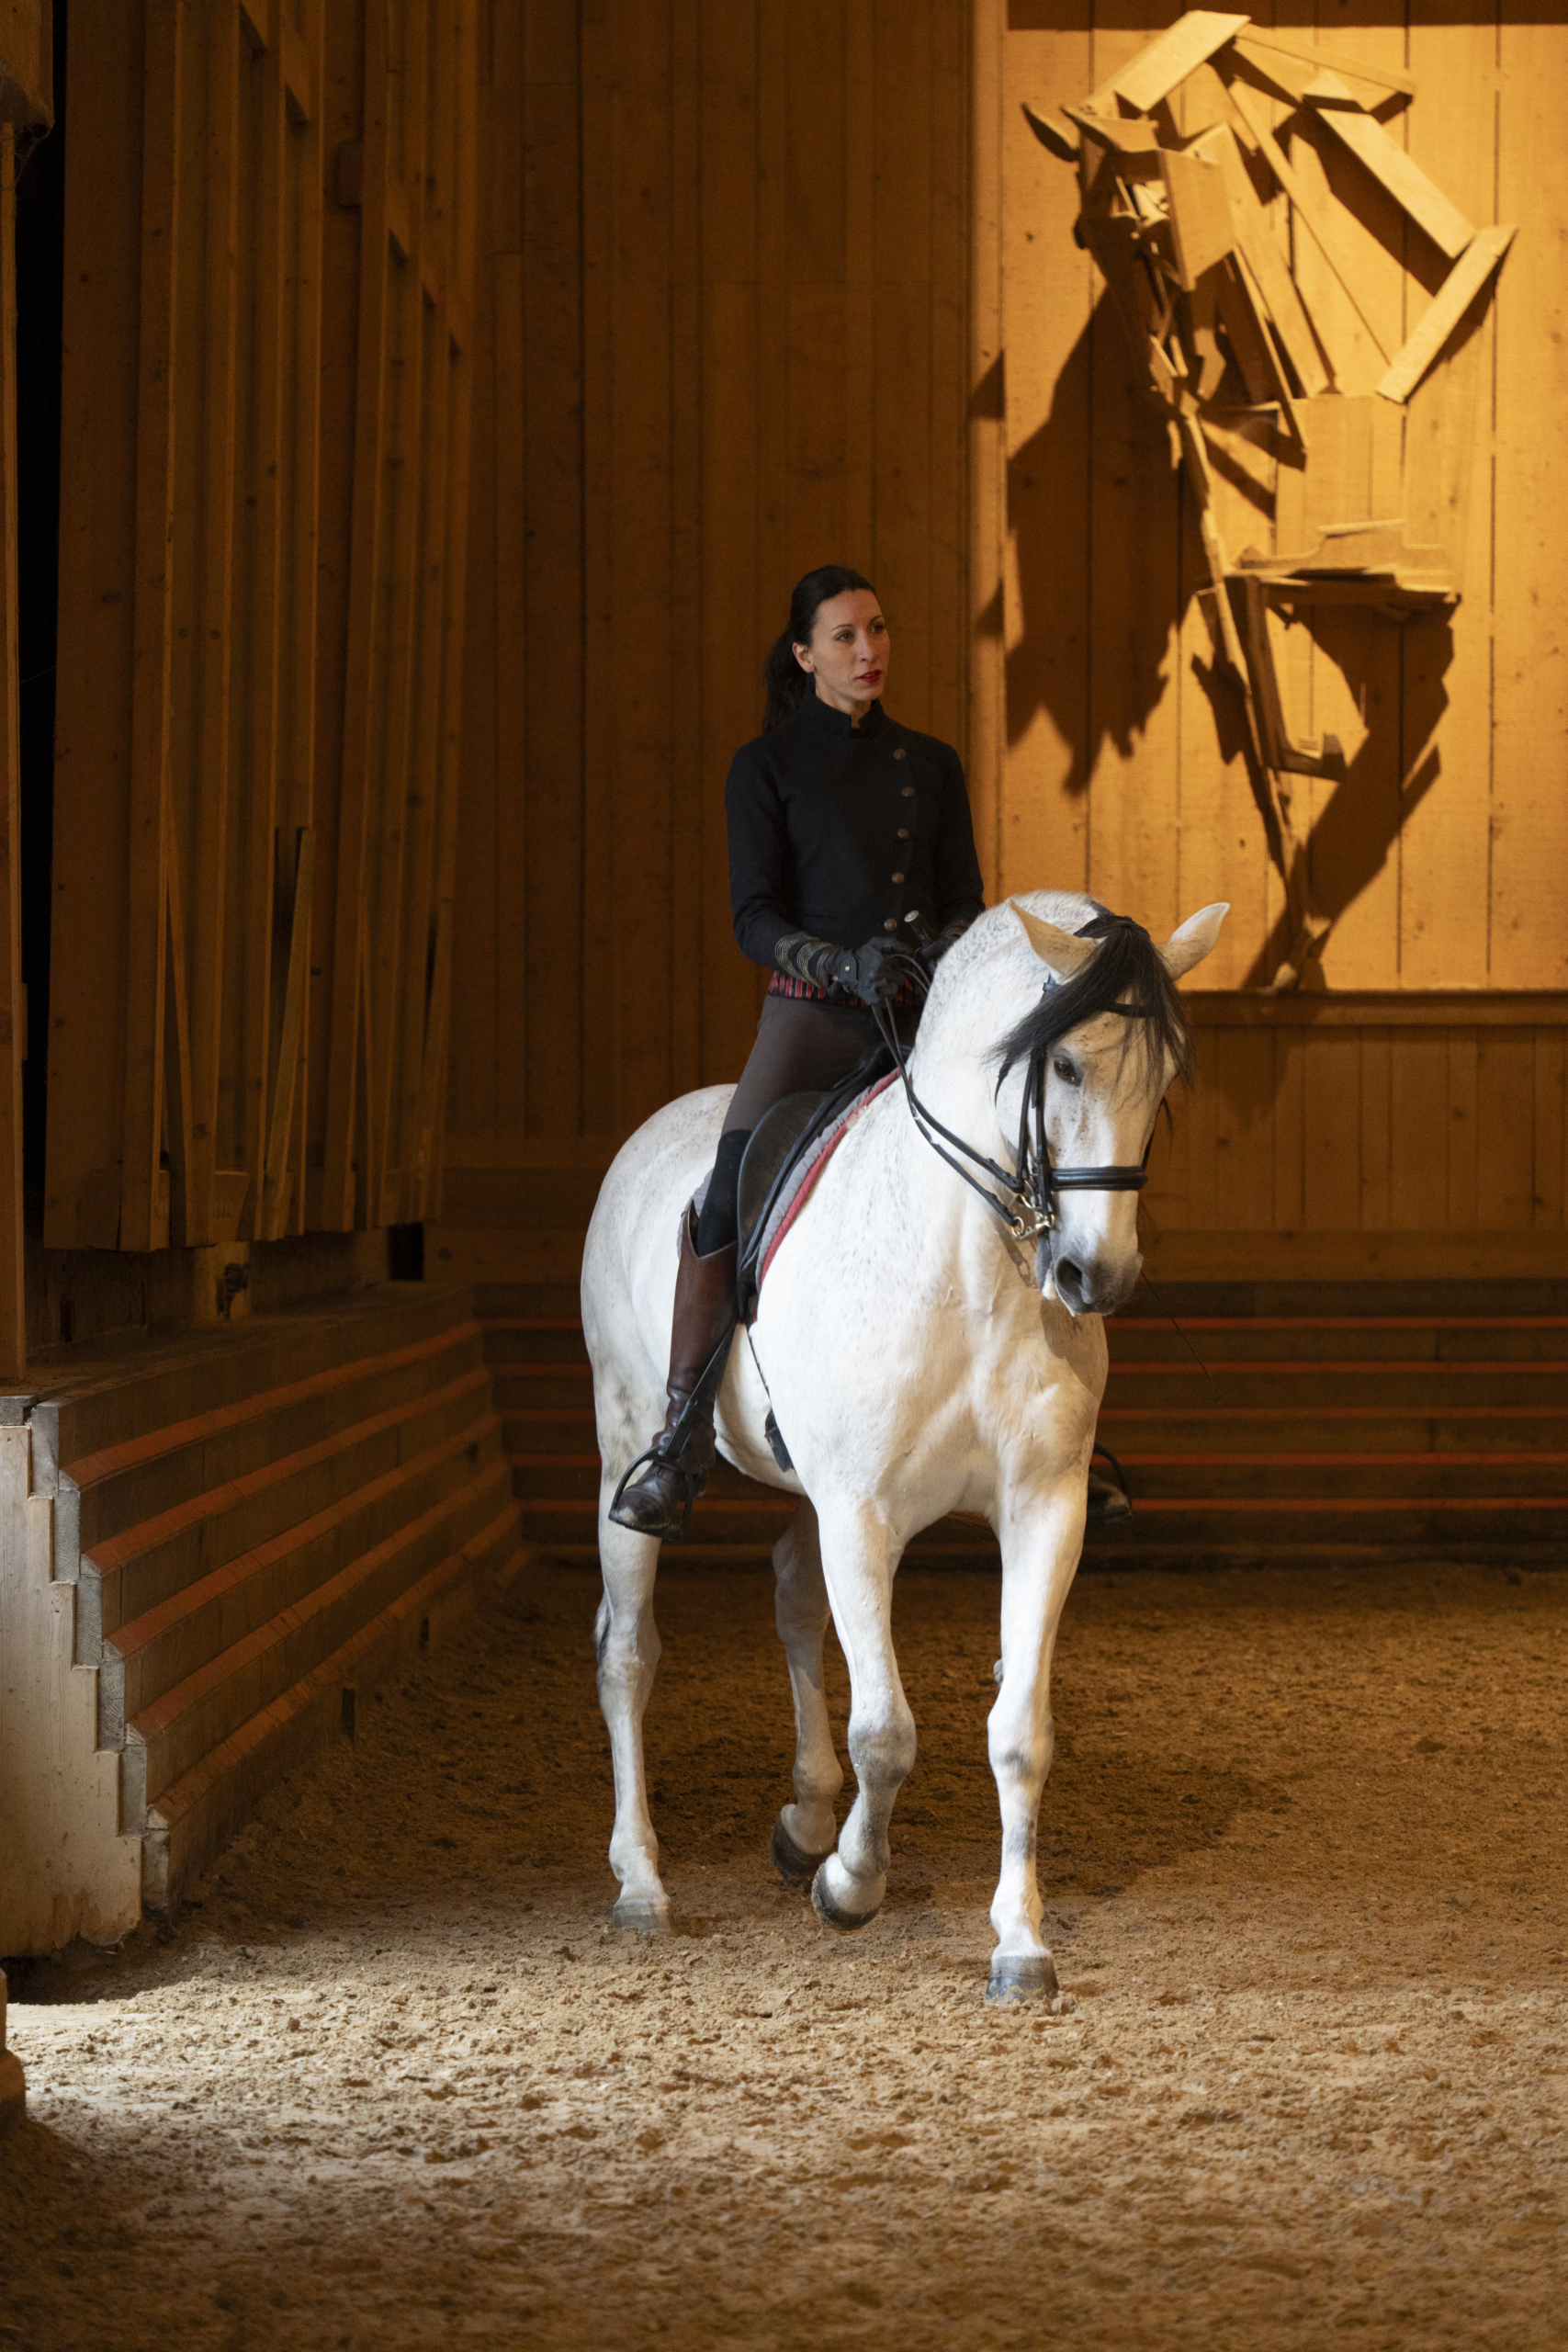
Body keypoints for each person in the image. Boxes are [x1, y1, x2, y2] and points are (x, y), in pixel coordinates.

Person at [610, 564, 985, 1537]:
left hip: (920, 1016)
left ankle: (1037, 1428)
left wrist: (924, 956)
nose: (870, 650)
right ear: (805, 653)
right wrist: (834, 963)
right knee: (727, 1191)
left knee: (1011, 1168)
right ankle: (680, 1439)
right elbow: (752, 916)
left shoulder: (932, 764)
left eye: (879, 629)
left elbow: (966, 905)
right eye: (847, 636)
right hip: (812, 1015)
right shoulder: (764, 766)